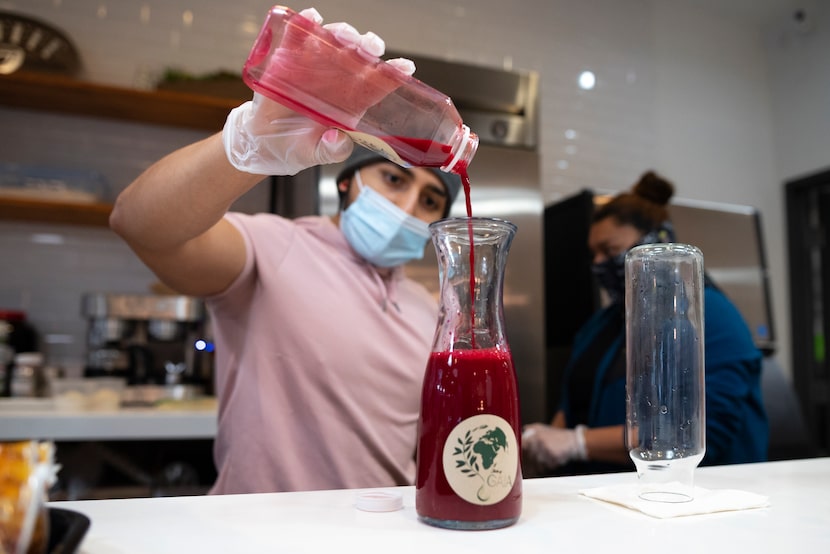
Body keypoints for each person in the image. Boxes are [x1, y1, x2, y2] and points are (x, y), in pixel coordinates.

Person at [109, 8, 461, 494]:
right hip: (260, 535)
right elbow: (139, 222)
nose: (406, 206)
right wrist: (248, 146)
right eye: (394, 178)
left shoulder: (431, 311)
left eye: (428, 200)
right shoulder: (275, 247)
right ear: (347, 183)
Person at [522, 171, 769, 476]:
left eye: (609, 251)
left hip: (697, 494)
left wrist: (578, 442)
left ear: (655, 243)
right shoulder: (602, 323)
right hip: (606, 495)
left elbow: (697, 431)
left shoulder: (709, 315)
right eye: (593, 254)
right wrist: (545, 441)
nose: (598, 264)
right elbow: (573, 401)